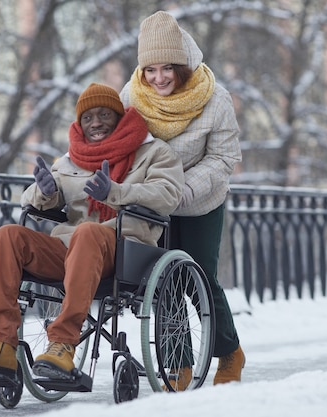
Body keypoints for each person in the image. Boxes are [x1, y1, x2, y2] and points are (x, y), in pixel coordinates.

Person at [0, 83, 184, 382]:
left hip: (125, 248)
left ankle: (62, 344)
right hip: (71, 248)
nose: (95, 123)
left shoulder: (154, 152)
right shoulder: (71, 158)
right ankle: (0, 345)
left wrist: (116, 191)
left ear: (119, 116)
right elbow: (31, 198)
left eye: (103, 115)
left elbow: (168, 196)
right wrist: (44, 191)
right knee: (9, 235)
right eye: (87, 118)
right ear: (79, 123)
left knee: (88, 231)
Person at [120, 11, 244, 387]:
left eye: (167, 69)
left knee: (199, 278)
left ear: (182, 66)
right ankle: (179, 362)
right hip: (151, 200)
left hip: (199, 200)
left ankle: (230, 353)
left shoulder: (214, 99)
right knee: (161, 280)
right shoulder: (132, 97)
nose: (158, 79)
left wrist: (183, 188)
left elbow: (224, 159)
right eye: (150, 70)